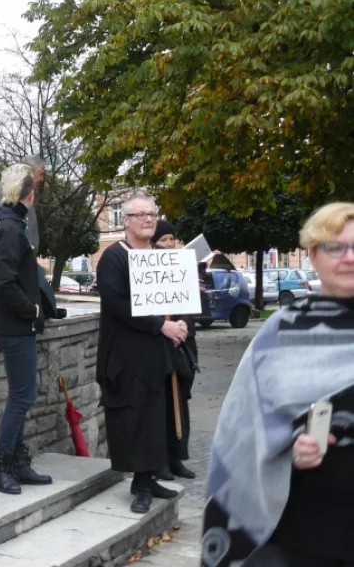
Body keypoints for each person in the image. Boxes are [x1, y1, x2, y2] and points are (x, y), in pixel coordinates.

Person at [203, 202, 354, 567]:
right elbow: (246, 425)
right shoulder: (283, 329)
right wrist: (289, 449)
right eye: (335, 247)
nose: (349, 258)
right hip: (307, 517)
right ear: (313, 256)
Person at [95, 194, 182, 513]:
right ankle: (140, 484)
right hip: (125, 355)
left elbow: (176, 294)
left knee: (155, 417)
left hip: (156, 354)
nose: (148, 219)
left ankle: (149, 476)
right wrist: (161, 325)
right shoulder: (113, 258)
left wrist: (180, 323)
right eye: (140, 214)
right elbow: (119, 305)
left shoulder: (161, 255)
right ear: (126, 220)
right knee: (133, 418)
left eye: (152, 214)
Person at [0, 164, 54, 495]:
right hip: (13, 324)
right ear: (30, 194)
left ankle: (19, 463)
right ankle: (3, 466)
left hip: (12, 322)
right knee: (22, 396)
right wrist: (32, 309)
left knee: (23, 395)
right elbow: (5, 281)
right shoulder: (10, 229)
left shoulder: (4, 224)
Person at [150, 220, 197, 481]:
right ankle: (161, 462)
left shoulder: (181, 267)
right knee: (162, 407)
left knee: (179, 403)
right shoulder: (148, 267)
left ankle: (177, 457)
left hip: (180, 347)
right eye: (163, 240)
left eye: (171, 239)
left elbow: (189, 304)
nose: (168, 244)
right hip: (159, 347)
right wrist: (164, 326)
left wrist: (183, 327)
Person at [0, 155, 45, 250]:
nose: (42, 179)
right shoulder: (5, 188)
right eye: (41, 174)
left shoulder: (27, 190)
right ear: (31, 171)